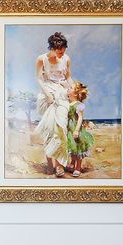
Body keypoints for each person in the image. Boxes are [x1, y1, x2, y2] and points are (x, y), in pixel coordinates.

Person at [34, 32, 73, 177]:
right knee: (49, 131)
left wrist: (75, 90)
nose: (62, 53)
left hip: (62, 93)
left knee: (60, 129)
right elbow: (39, 79)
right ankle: (50, 163)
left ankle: (59, 165)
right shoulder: (41, 59)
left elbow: (68, 77)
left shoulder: (66, 59)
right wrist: (48, 94)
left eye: (63, 50)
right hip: (47, 94)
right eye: (59, 51)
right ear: (52, 48)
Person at [65, 81, 94, 177]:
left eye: (71, 88)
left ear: (75, 94)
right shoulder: (68, 103)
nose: (68, 89)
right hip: (69, 130)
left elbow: (80, 118)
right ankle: (72, 164)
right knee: (72, 148)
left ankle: (78, 167)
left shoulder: (78, 104)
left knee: (78, 149)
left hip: (76, 130)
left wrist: (77, 130)